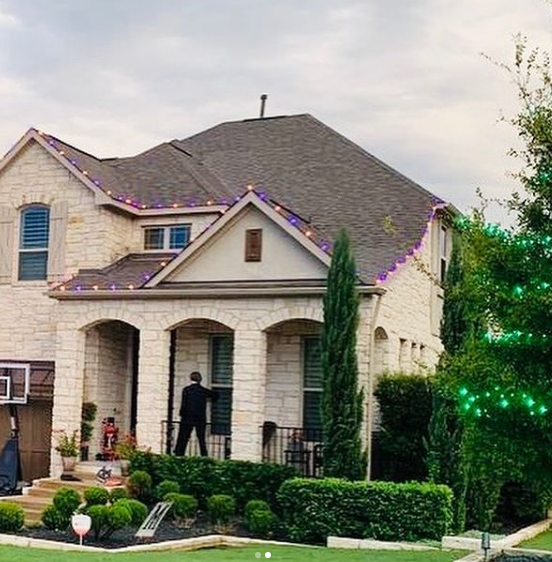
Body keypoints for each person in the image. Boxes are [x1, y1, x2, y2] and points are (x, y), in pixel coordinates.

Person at [174, 371, 218, 457]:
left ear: (191, 378)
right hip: (200, 417)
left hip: (187, 417)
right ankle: (204, 455)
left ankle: (179, 454)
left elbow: (184, 403)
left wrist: (181, 414)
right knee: (201, 438)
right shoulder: (203, 390)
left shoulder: (186, 390)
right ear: (200, 380)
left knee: (183, 436)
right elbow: (215, 395)